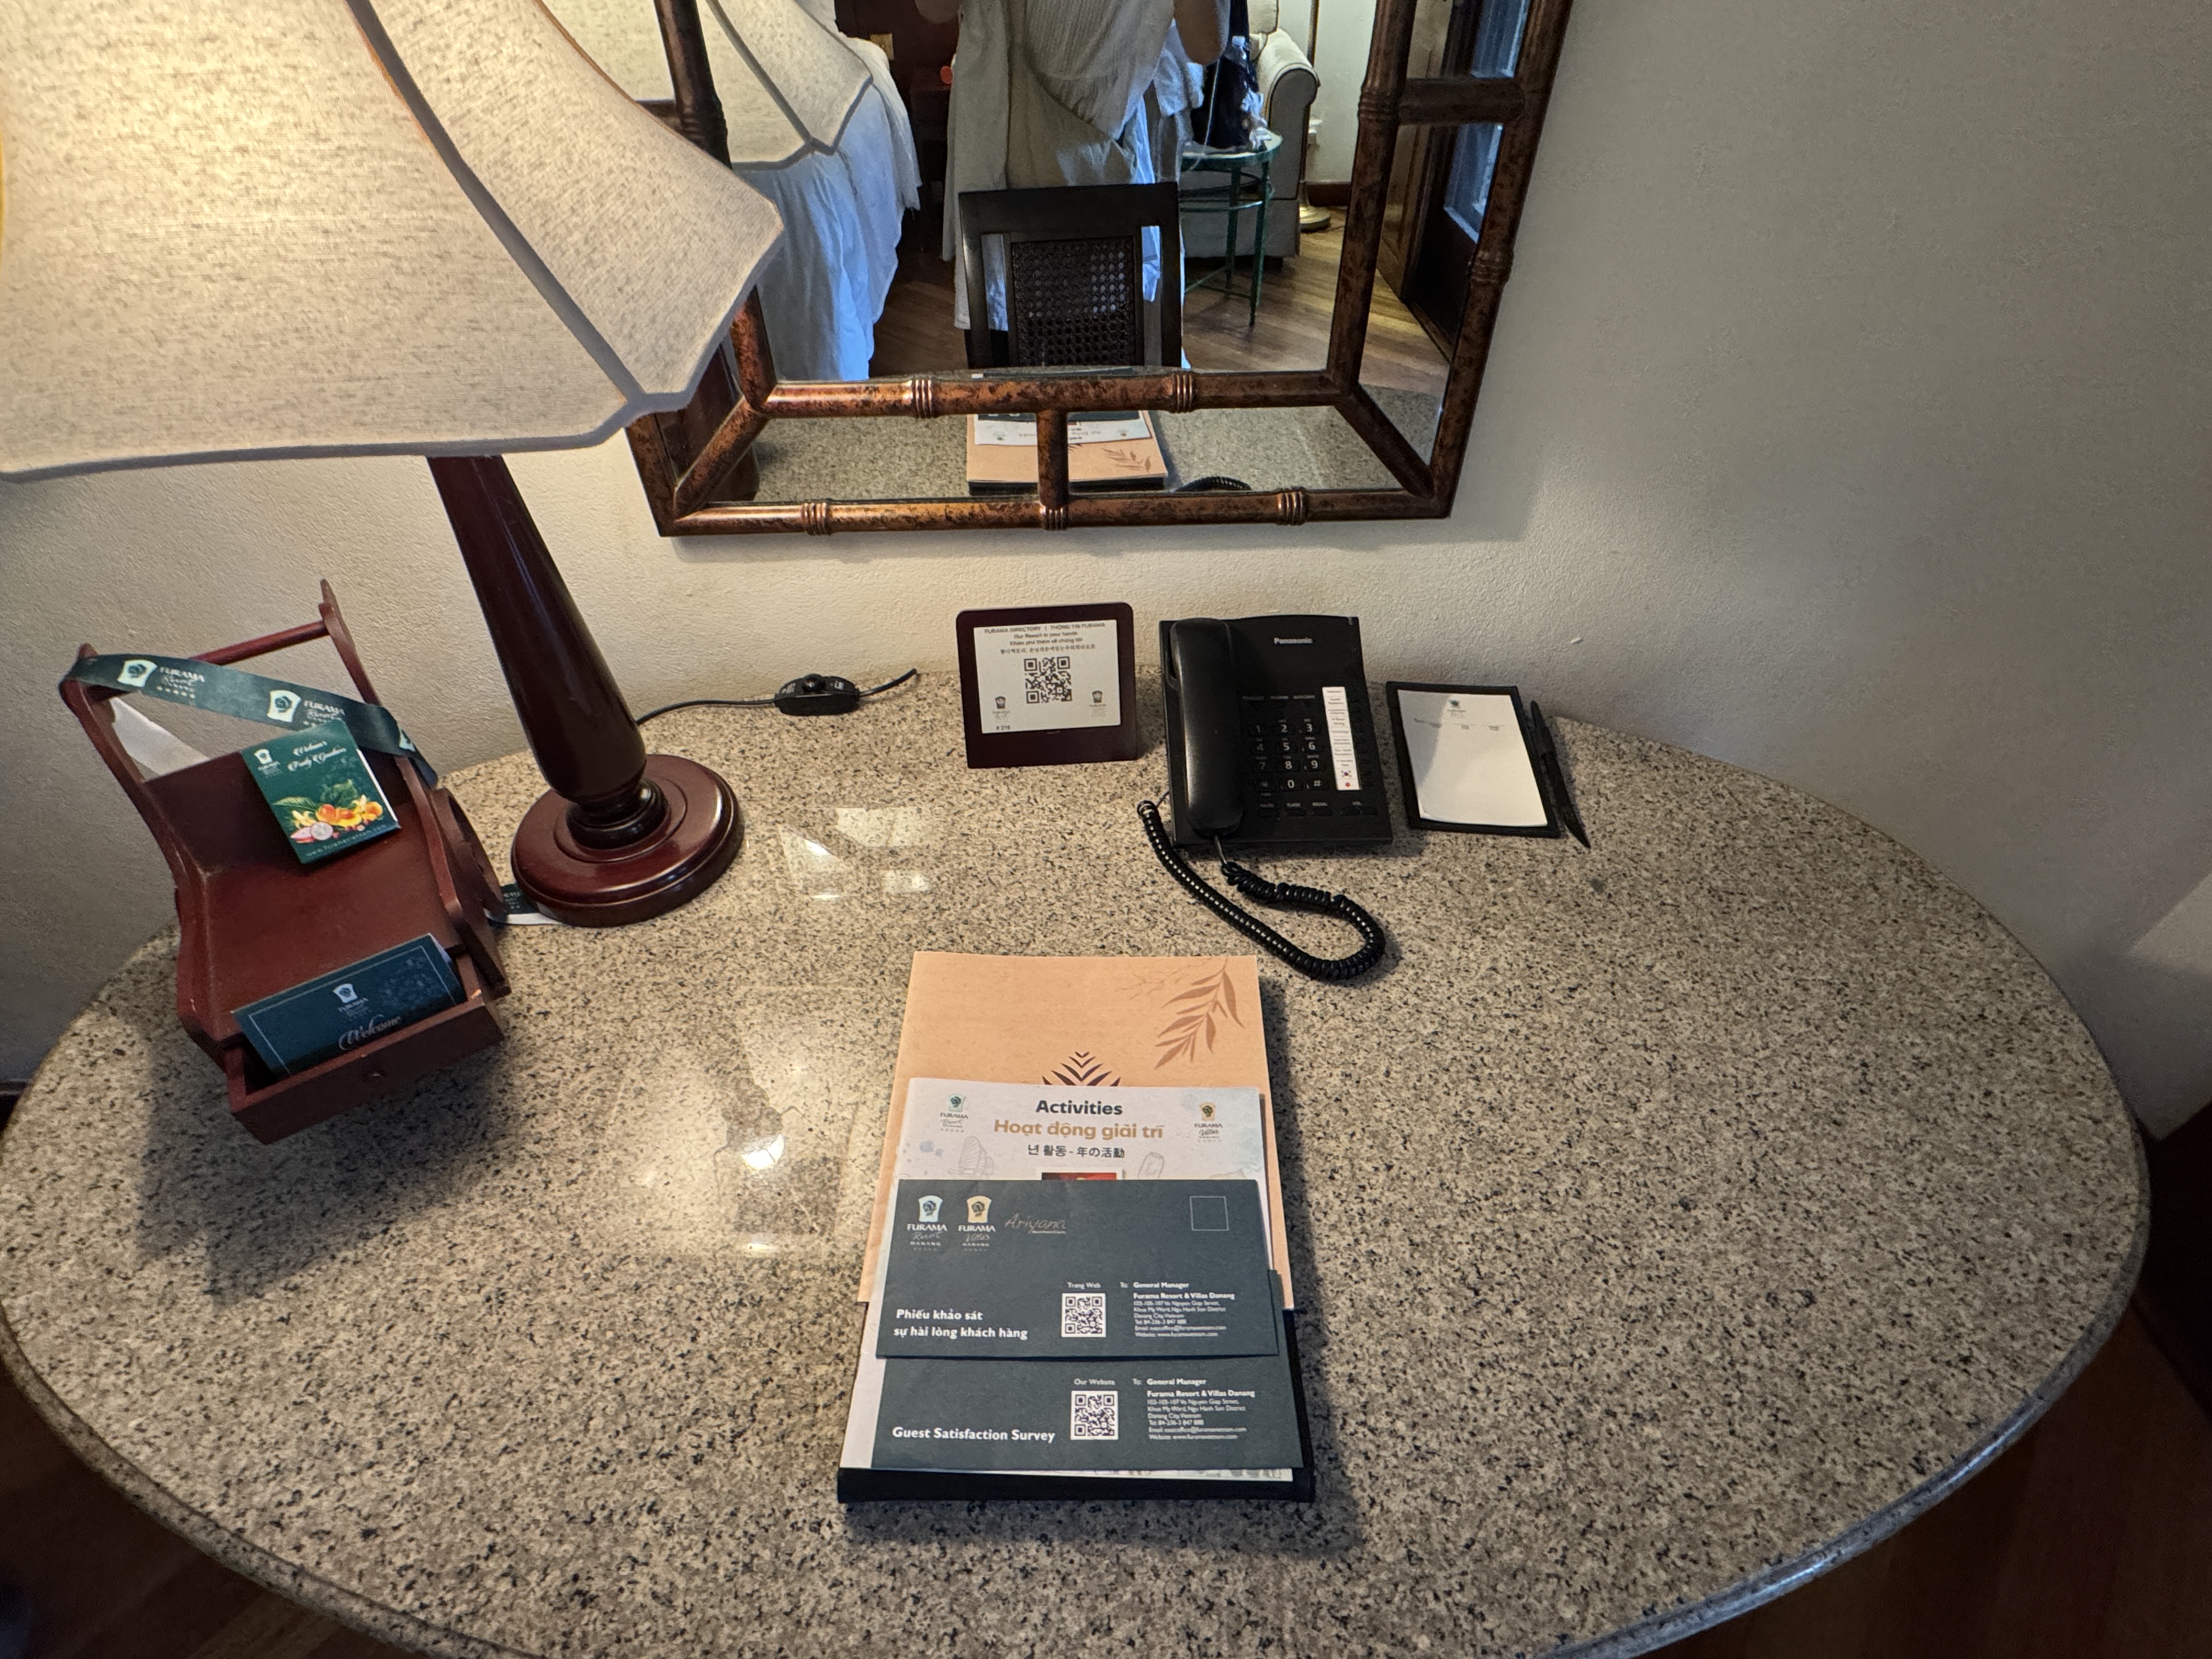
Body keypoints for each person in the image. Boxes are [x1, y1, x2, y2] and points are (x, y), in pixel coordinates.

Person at [916, 0, 1231, 344]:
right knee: (1007, 346)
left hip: (1100, 146)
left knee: (1102, 341)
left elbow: (1206, 45)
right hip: (1000, 148)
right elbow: (932, 8)